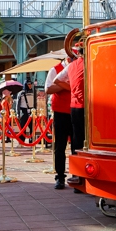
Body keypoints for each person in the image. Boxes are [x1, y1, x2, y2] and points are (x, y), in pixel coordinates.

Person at [56, 49, 86, 191]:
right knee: (80, 143)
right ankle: (79, 177)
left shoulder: (71, 66)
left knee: (77, 142)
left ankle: (77, 179)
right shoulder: (88, 63)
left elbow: (58, 80)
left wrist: (73, 89)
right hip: (85, 106)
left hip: (74, 106)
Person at [45, 60, 71, 189]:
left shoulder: (81, 66)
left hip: (78, 110)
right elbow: (48, 88)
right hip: (61, 111)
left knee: (78, 145)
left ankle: (78, 177)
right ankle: (60, 176)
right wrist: (66, 84)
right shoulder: (55, 69)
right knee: (60, 145)